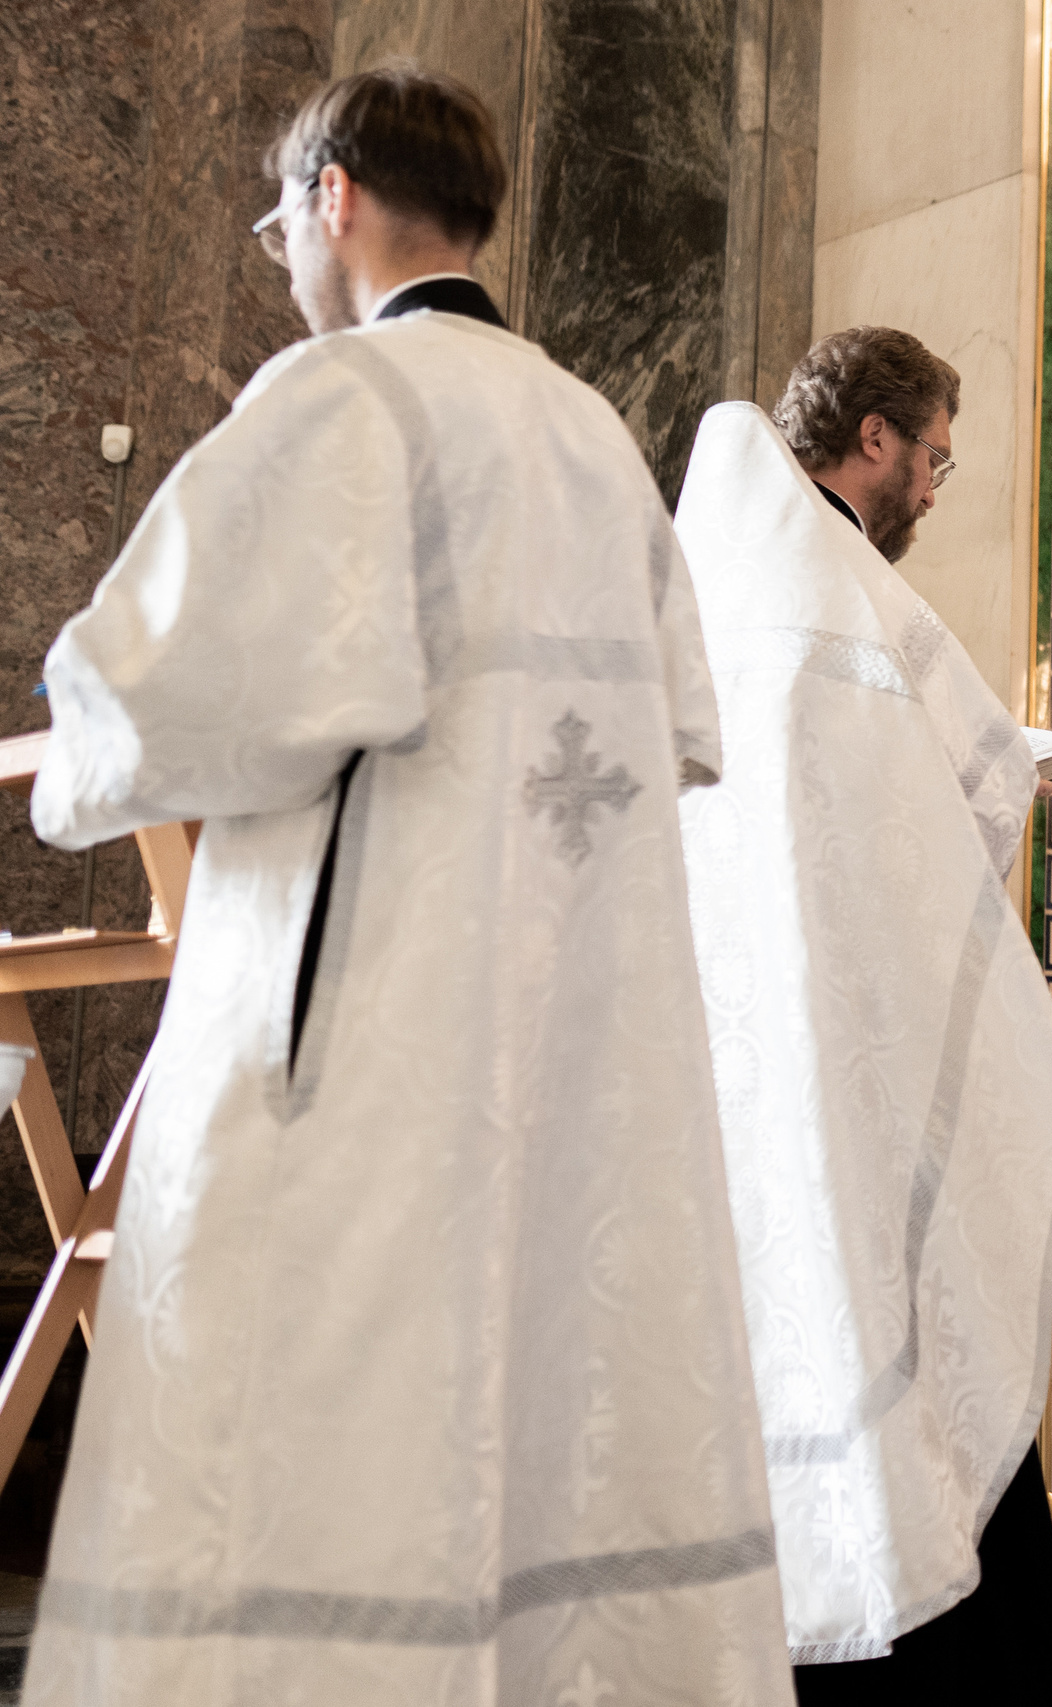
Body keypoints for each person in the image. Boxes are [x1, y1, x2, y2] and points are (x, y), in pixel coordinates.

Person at [22, 69, 792, 1705]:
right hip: (568, 1039)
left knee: (332, 1406)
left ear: (337, 196)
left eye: (280, 215)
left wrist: (80, 732)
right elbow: (683, 737)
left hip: (370, 1044)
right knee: (537, 1390)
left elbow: (156, 694)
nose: (284, 252)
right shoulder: (592, 431)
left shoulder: (338, 401)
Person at [671, 333, 1052, 1699]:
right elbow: (973, 791)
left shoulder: (717, 571)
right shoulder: (840, 582)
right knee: (894, 1326)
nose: (933, 489)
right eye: (936, 459)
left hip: (718, 1047)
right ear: (875, 438)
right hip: (848, 1036)